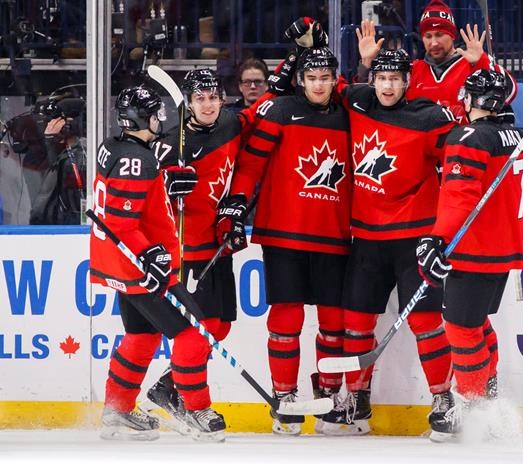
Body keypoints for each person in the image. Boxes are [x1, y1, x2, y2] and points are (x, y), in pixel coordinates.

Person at [316, 48, 457, 436]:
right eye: (382, 78)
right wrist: (355, 59)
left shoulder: (429, 118)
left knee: (426, 322)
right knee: (355, 322)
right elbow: (322, 82)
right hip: (366, 238)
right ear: (372, 80)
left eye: (395, 79)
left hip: (415, 239)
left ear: (407, 82)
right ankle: (356, 398)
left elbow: (462, 158)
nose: (388, 86)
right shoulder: (358, 101)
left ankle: (443, 399)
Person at [217, 46, 351, 436]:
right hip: (283, 233)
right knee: (286, 320)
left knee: (333, 322)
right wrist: (236, 202)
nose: (319, 85)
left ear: (335, 80)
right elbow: (250, 164)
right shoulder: (278, 112)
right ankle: (285, 397)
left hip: (334, 234)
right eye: (311, 78)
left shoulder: (349, 116)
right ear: (299, 80)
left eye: (325, 78)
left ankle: (330, 395)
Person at [89, 84, 225, 441]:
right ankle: (195, 410)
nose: (158, 120)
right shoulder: (139, 161)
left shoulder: (113, 147)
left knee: (142, 335)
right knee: (194, 332)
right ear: (140, 119)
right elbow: (121, 223)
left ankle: (118, 409)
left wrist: (163, 180)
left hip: (119, 265)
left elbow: (126, 198)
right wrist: (150, 254)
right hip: (140, 268)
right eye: (153, 115)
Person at [141, 67, 268, 433]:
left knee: (221, 325)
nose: (208, 105)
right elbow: (142, 192)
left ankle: (169, 385)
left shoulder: (230, 124)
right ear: (189, 103)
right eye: (200, 99)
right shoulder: (169, 144)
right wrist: (166, 184)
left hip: (216, 245)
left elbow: (263, 109)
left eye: (213, 98)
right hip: (186, 248)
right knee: (199, 330)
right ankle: (195, 404)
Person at [417, 69, 523, 440]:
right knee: (476, 321)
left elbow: (459, 197)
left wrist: (436, 238)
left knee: (460, 326)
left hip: (474, 250)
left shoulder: (468, 136)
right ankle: (487, 389)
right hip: (504, 249)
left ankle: (471, 405)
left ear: (470, 99)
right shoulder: (515, 137)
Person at [356, 0, 517, 121]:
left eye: (439, 35)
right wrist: (366, 63)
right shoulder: (412, 70)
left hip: (462, 149)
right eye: (428, 36)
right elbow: (371, 100)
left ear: (452, 35)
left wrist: (481, 62)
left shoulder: (472, 63)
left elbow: (510, 92)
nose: (433, 43)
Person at [29, 94, 86, 225]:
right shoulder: (45, 152)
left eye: (57, 120)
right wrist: (50, 144)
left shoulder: (83, 153)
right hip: (50, 223)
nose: (50, 126)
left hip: (73, 222)